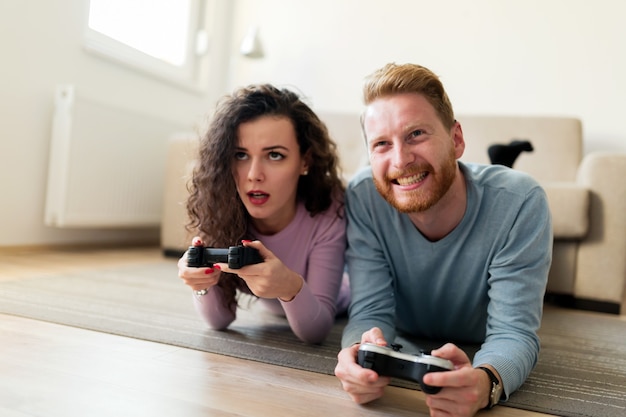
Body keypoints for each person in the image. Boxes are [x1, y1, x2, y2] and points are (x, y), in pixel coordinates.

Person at [334, 63, 551, 416]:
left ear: (456, 139)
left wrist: (486, 382)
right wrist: (359, 350)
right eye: (382, 144)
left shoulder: (521, 202)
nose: (401, 160)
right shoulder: (362, 196)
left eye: (416, 134)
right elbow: (370, 311)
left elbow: (514, 331)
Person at [177, 84, 350, 344]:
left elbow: (316, 331)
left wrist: (290, 286)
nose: (253, 174)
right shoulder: (222, 206)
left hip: (345, 298)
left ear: (305, 161)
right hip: (278, 307)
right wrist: (201, 284)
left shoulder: (328, 210)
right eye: (241, 155)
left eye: (275, 155)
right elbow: (219, 320)